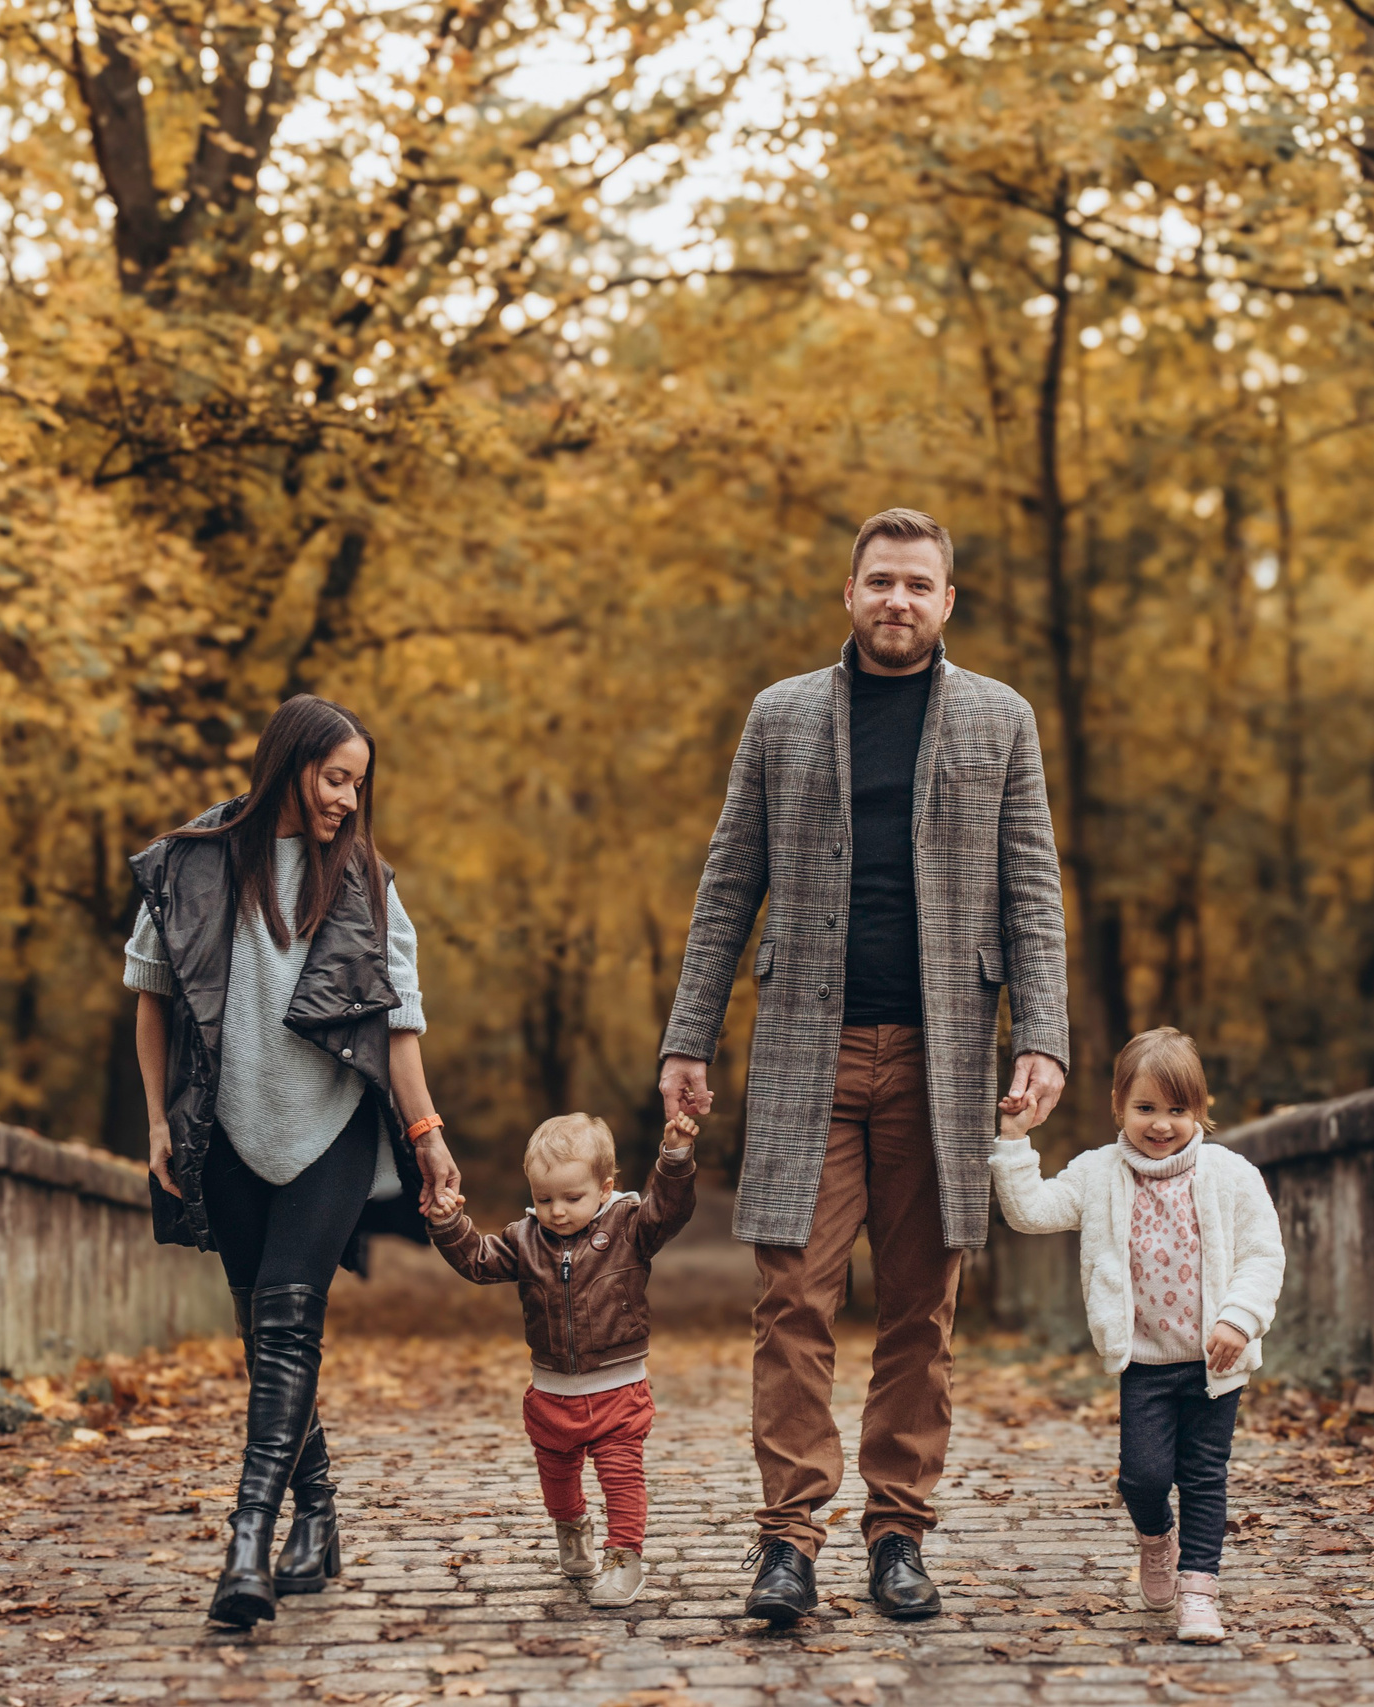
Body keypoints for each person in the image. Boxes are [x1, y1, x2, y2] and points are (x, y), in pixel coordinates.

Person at [656, 506, 1072, 1626]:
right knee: (791, 1296)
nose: (896, 599)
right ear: (849, 594)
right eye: (877, 580)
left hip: (944, 1056)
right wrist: (686, 1039)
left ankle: (897, 1537)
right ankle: (787, 1542)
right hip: (807, 1052)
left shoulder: (1000, 720)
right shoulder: (781, 716)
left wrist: (1042, 1036)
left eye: (916, 584)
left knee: (919, 1310)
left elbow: (1031, 891)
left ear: (947, 602)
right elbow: (726, 885)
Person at [123, 694, 461, 1629]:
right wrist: (157, 1123)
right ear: (290, 764)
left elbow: (400, 1023)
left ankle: (247, 1545)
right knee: (263, 1336)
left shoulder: (365, 881)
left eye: (360, 783)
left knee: (286, 1322)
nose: (349, 799)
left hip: (333, 1130)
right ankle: (318, 1514)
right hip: (223, 1133)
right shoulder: (194, 862)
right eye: (336, 777)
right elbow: (150, 997)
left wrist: (428, 1139)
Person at [988, 1026, 1285, 1643]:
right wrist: (1015, 1142)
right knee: (1142, 1478)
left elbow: (1263, 1255)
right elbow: (1032, 1212)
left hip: (1214, 1363)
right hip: (1144, 1364)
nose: (1161, 1124)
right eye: (1145, 1108)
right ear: (1118, 1105)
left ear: (1199, 1108)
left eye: (1177, 1110)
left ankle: (1199, 1591)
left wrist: (1240, 1318)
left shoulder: (1230, 1175)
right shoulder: (1098, 1174)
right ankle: (1157, 1538)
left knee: (1205, 1475)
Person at [425, 1110, 700, 1608]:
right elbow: (480, 1262)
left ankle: (625, 1559)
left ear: (604, 1187)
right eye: (543, 1198)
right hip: (551, 1392)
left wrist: (675, 1156)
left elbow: (670, 1210)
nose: (556, 1211)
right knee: (557, 1478)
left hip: (618, 1388)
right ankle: (572, 1533)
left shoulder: (629, 1226)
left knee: (621, 1476)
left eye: (572, 1198)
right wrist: (449, 1224)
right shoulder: (525, 1240)